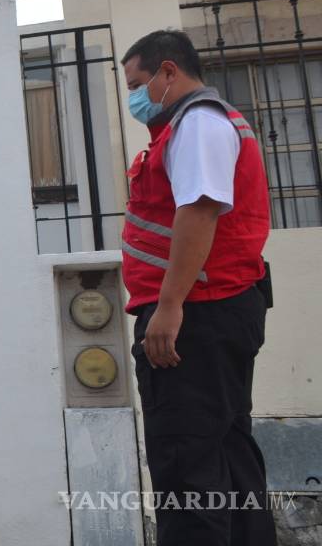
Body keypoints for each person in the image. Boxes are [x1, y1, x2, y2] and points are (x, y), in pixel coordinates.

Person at [120, 30, 274, 544]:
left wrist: (168, 307)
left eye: (138, 83)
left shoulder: (198, 122)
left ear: (169, 72)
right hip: (214, 310)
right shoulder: (198, 125)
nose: (133, 97)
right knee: (227, 457)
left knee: (187, 467)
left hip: (196, 315)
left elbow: (201, 209)